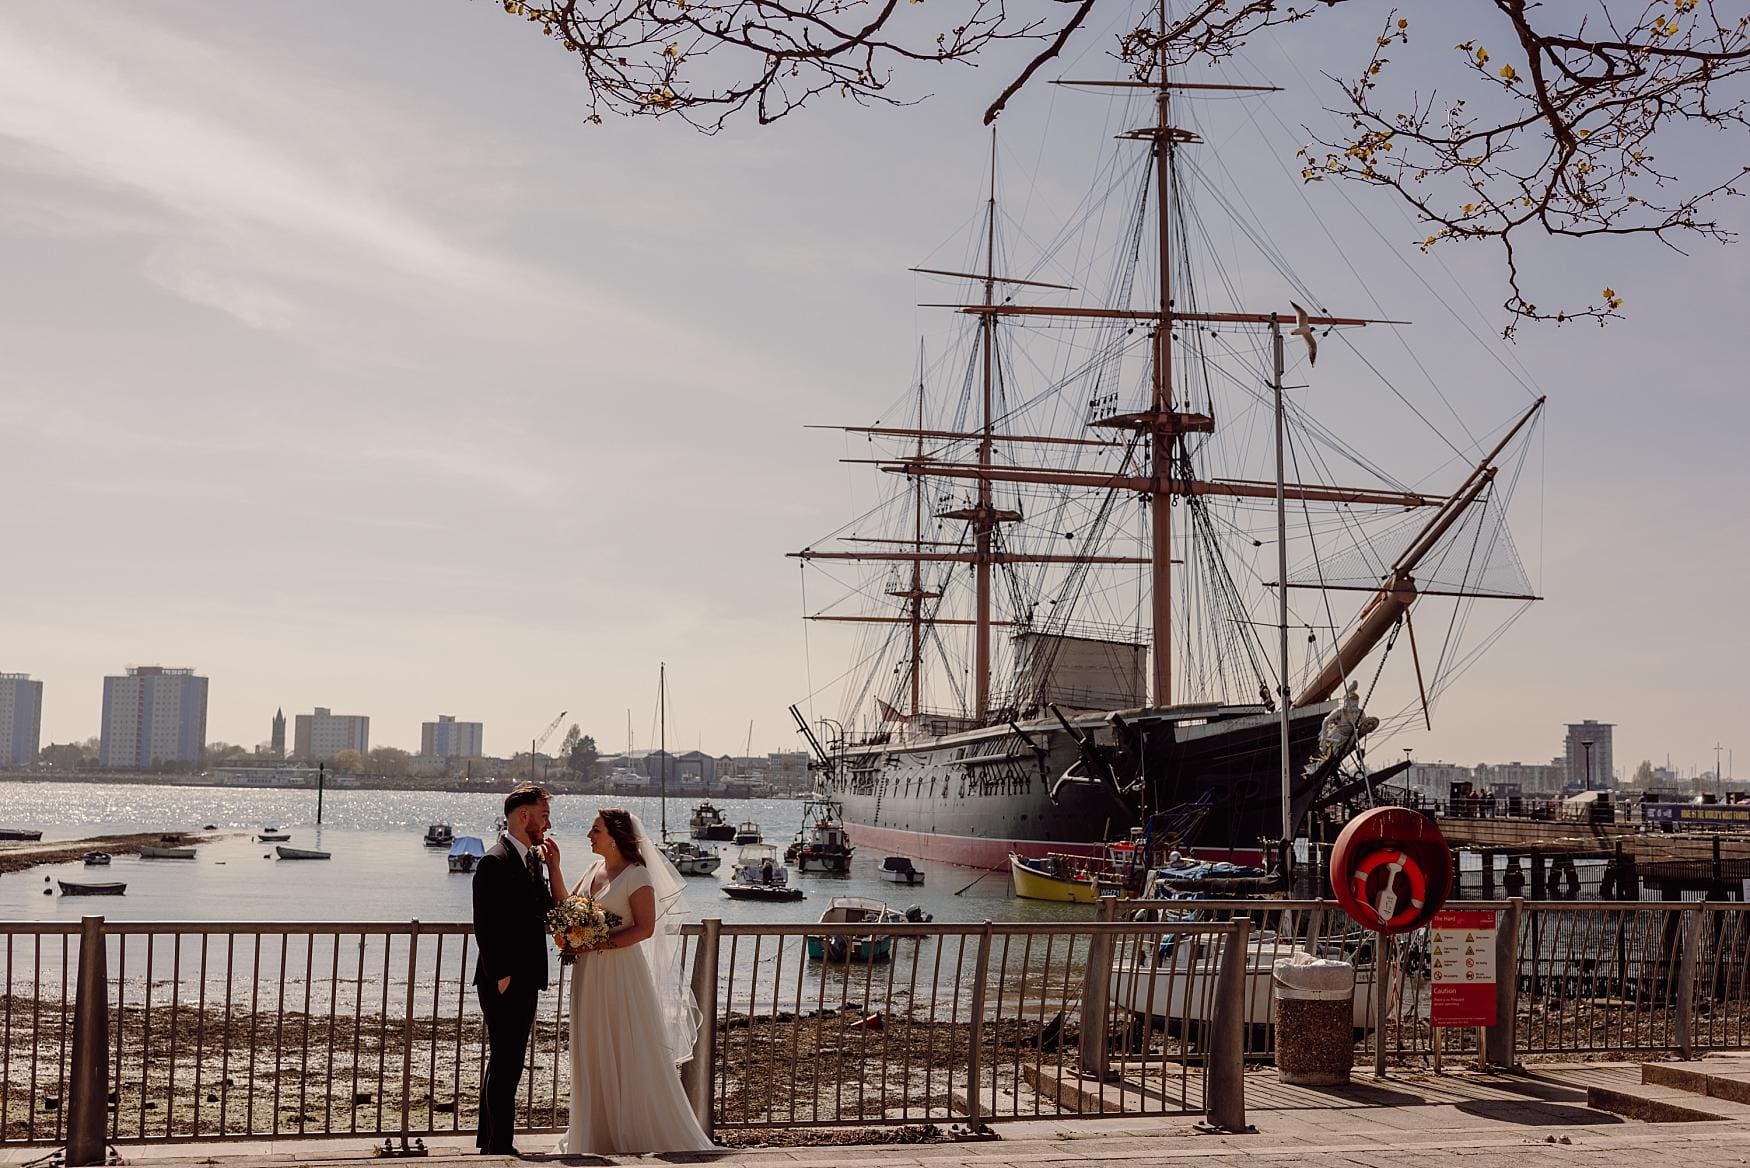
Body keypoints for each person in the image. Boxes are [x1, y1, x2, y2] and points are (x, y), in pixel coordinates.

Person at [549, 808, 715, 1155]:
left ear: (614, 834)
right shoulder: (593, 869)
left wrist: (599, 942)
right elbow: (567, 907)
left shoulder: (637, 874)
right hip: (589, 971)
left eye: (595, 830)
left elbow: (645, 927)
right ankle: (595, 1132)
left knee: (625, 1044)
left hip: (622, 971)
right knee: (593, 1044)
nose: (589, 835)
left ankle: (634, 1129)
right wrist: (554, 868)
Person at [472, 784, 558, 1156]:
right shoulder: (494, 860)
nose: (547, 823)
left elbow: (545, 912)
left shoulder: (532, 859)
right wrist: (503, 975)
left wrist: (553, 867)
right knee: (508, 1061)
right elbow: (485, 925)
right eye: (543, 815)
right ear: (523, 816)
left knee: (507, 1058)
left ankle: (489, 1139)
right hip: (503, 978)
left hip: (525, 975)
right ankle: (499, 1146)